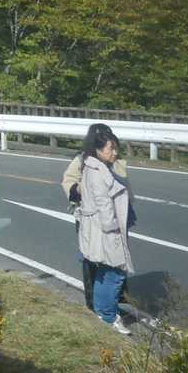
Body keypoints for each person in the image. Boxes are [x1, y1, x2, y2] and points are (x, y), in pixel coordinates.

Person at [62, 123, 132, 312]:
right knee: (93, 260)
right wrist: (82, 191)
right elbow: (68, 182)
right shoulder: (83, 160)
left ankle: (114, 302)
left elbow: (124, 187)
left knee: (117, 261)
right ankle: (95, 304)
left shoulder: (116, 160)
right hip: (91, 217)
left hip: (116, 216)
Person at [76, 125, 134, 335]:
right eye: (111, 148)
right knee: (115, 272)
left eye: (116, 148)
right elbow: (103, 205)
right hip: (105, 230)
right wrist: (113, 228)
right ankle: (107, 316)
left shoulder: (94, 166)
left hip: (98, 229)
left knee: (105, 272)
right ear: (98, 150)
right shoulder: (97, 171)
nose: (115, 152)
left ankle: (103, 313)